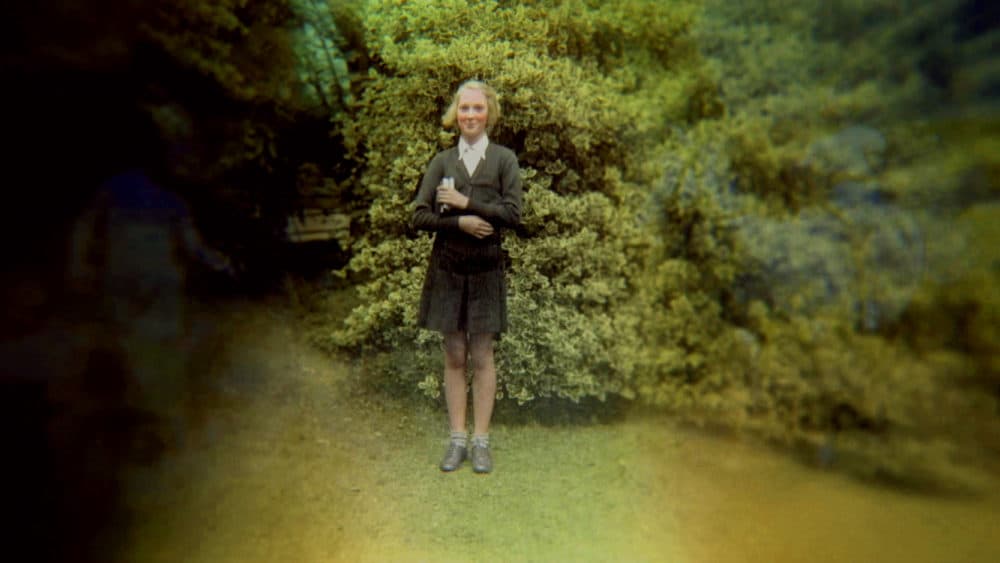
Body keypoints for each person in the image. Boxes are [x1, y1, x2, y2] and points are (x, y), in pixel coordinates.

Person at [411, 80, 523, 473]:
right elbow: (419, 215)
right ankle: (457, 439)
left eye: (477, 108)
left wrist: (468, 202)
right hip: (448, 269)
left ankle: (481, 442)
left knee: (482, 354)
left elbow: (513, 214)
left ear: (489, 112)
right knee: (454, 354)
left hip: (486, 270)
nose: (470, 116)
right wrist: (460, 221)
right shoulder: (442, 161)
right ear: (454, 114)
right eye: (464, 109)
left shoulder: (504, 159)